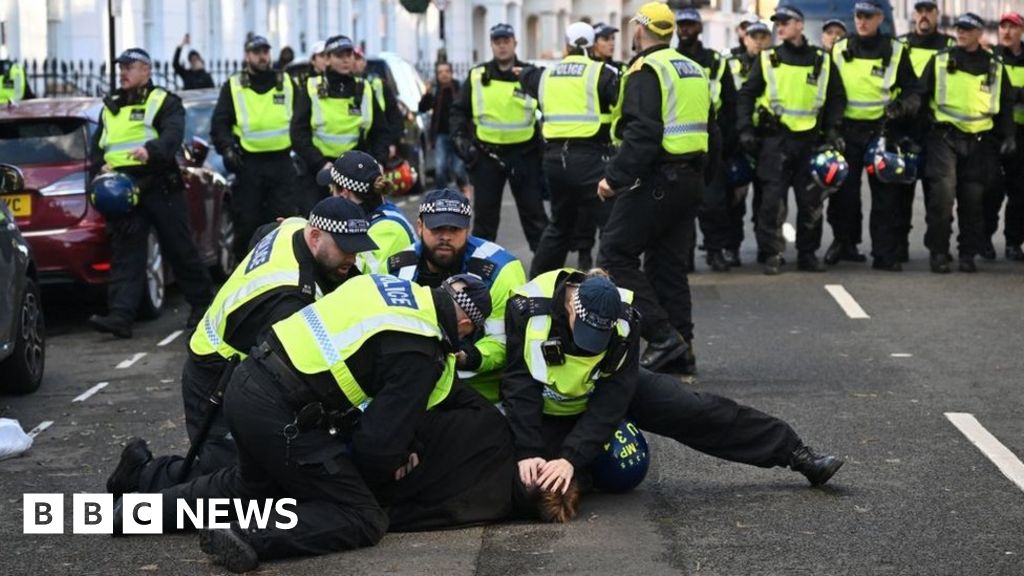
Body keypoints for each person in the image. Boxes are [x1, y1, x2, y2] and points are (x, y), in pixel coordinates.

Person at [179, 272, 495, 572]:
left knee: (247, 490)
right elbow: (375, 449)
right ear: (466, 325)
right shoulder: (422, 348)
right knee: (363, 516)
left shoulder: (387, 287)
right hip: (282, 414)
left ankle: (135, 512)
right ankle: (248, 534)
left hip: (246, 381)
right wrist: (378, 471)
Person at [105, 196, 377, 497]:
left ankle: (147, 477)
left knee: (242, 471)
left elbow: (262, 234)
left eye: (357, 247)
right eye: (345, 248)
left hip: (228, 357)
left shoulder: (294, 228)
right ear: (315, 237)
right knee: (232, 476)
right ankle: (141, 476)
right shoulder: (289, 297)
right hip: (216, 375)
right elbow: (288, 374)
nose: (353, 257)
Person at [503, 269, 844, 501]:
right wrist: (529, 450)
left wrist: (572, 458)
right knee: (535, 485)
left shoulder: (626, 317)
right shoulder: (527, 308)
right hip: (547, 407)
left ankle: (797, 454)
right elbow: (519, 385)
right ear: (571, 308)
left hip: (602, 392)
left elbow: (614, 397)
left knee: (694, 410)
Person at [596, 2, 719, 375]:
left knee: (615, 255)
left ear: (641, 29)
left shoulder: (646, 69)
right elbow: (713, 129)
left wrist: (613, 179)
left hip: (658, 178)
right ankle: (683, 350)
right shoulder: (692, 68)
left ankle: (662, 337)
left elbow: (643, 134)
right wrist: (705, 181)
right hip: (690, 177)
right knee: (668, 266)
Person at [87, 48, 212, 338]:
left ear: (147, 70)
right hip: (123, 188)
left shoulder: (164, 101)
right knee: (126, 254)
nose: (123, 72)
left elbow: (172, 134)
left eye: (130, 66)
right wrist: (100, 168)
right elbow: (98, 147)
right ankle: (120, 316)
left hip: (159, 184)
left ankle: (203, 306)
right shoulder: (111, 106)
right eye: (121, 67)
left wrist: (150, 151)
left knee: (179, 248)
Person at [388, 189, 526, 403]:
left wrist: (468, 357)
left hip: (480, 392)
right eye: (437, 228)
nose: (445, 236)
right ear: (419, 226)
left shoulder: (502, 269)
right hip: (412, 387)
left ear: (468, 229)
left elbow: (506, 341)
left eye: (455, 229)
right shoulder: (396, 267)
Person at [737, 5, 845, 275]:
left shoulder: (822, 59)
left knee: (811, 203)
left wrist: (832, 129)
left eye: (785, 22)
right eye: (778, 23)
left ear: (799, 25)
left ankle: (808, 254)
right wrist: (746, 129)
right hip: (776, 141)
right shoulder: (768, 58)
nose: (780, 27)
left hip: (811, 141)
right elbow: (746, 95)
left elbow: (836, 98)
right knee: (773, 202)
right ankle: (772, 254)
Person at [518, 22, 619, 277]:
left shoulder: (546, 75)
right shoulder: (602, 73)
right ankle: (610, 287)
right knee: (611, 225)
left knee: (559, 226)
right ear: (593, 44)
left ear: (566, 45)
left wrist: (521, 71)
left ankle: (537, 284)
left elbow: (525, 75)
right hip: (590, 159)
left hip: (554, 162)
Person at [827, 0, 921, 271]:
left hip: (882, 131)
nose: (862, 21)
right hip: (847, 131)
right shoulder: (840, 49)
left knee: (885, 197)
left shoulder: (895, 50)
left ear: (880, 18)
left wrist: (902, 107)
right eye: (858, 16)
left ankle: (884, 253)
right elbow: (831, 92)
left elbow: (913, 91)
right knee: (844, 195)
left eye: (868, 16)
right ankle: (844, 244)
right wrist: (832, 128)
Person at [920, 12, 1016, 273]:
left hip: (980, 142)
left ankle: (967, 253)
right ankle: (939, 252)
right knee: (942, 196)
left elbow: (1005, 105)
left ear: (979, 34)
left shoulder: (995, 66)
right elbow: (920, 94)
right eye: (958, 28)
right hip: (944, 138)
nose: (960, 32)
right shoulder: (940, 61)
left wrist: (1008, 136)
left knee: (973, 201)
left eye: (967, 29)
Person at [450, 23, 549, 251]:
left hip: (525, 155)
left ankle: (549, 274)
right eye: (497, 42)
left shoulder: (531, 74)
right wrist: (462, 145)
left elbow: (549, 108)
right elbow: (458, 111)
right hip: (487, 156)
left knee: (535, 218)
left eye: (506, 41)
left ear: (515, 43)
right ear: (491, 45)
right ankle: (479, 274)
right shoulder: (477, 76)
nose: (502, 46)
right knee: (485, 221)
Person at [212, 35, 301, 261]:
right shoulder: (234, 86)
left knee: (283, 222)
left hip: (281, 164)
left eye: (265, 51)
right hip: (249, 165)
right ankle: (245, 271)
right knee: (247, 223)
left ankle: (284, 269)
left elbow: (302, 119)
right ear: (247, 55)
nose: (262, 56)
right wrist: (228, 149)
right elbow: (219, 123)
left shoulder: (287, 82)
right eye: (256, 52)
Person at [675, 8, 739, 272]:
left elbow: (731, 104)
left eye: (690, 25)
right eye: (681, 25)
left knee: (714, 204)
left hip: (710, 143)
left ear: (700, 28)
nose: (685, 29)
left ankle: (715, 251)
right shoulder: (670, 59)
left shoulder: (714, 61)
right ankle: (685, 257)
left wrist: (728, 143)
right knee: (681, 209)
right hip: (677, 144)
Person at [290, 35, 389, 204]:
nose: (345, 60)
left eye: (349, 55)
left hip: (357, 172)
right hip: (320, 171)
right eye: (339, 56)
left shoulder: (365, 88)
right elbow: (298, 132)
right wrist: (320, 163)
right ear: (327, 59)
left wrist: (379, 161)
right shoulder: (311, 87)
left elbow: (380, 131)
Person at [899, 0, 955, 261]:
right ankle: (896, 249)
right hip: (904, 128)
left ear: (936, 15)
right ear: (913, 15)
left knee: (939, 196)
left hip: (937, 131)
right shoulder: (900, 46)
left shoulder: (950, 47)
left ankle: (938, 249)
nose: (924, 16)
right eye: (919, 11)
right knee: (899, 194)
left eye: (928, 12)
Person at [317, 150, 415, 274]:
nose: (331, 195)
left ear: (344, 192)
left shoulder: (388, 229)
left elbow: (361, 277)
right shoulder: (373, 215)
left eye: (333, 190)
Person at [724, 20, 772, 266]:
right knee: (734, 201)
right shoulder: (730, 64)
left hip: (765, 139)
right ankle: (731, 247)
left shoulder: (775, 63)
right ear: (745, 39)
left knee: (766, 201)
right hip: (737, 140)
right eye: (755, 36)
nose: (759, 41)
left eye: (764, 36)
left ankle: (766, 248)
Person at [987, 13, 1024, 262]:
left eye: (1013, 27)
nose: (1007, 32)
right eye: (1003, 27)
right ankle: (984, 239)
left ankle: (1013, 242)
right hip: (994, 133)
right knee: (989, 190)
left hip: (1022, 135)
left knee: (1019, 192)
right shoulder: (991, 59)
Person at [418, 61, 469, 192]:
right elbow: (423, 108)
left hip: (459, 134)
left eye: (446, 71)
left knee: (458, 169)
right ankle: (442, 196)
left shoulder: (460, 88)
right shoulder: (435, 90)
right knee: (440, 169)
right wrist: (427, 94)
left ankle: (464, 190)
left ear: (451, 73)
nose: (444, 75)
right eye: (440, 72)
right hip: (441, 135)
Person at [353, 48, 403, 162]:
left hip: (376, 146)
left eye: (359, 59)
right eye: (353, 58)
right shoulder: (340, 88)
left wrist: (391, 143)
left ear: (364, 63)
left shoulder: (378, 85)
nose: (355, 63)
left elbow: (394, 118)